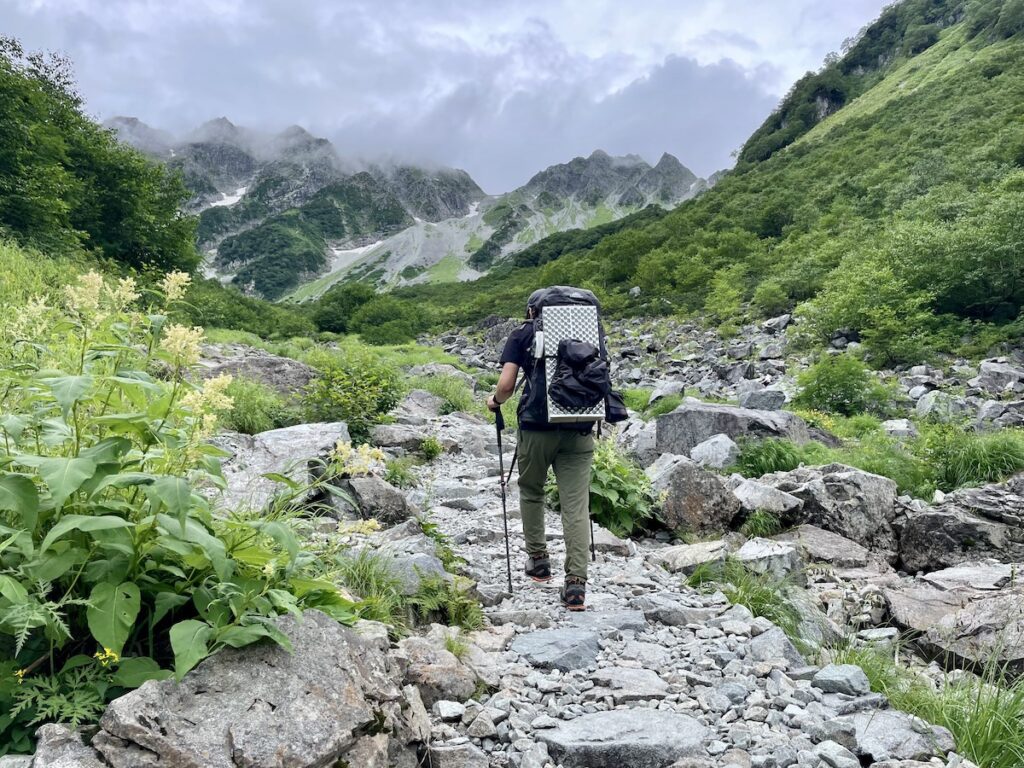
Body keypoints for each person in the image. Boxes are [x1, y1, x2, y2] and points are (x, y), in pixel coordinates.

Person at [486, 300, 594, 611]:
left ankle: (539, 561)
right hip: (580, 426)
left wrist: (494, 401)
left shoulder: (524, 333)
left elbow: (507, 385)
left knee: (532, 490)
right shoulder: (589, 330)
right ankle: (576, 585)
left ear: (534, 310)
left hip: (536, 427)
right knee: (575, 505)